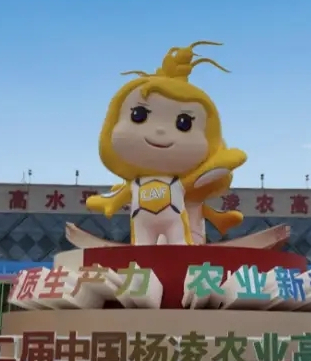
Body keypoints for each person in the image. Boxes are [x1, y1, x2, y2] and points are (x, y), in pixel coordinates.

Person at [85, 41, 247, 245]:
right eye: (139, 115)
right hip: (142, 224)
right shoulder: (137, 184)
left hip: (175, 221)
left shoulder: (178, 185)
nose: (160, 130)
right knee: (143, 248)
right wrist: (108, 202)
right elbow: (118, 196)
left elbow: (203, 177)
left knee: (179, 241)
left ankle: (180, 255)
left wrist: (223, 163)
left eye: (184, 123)